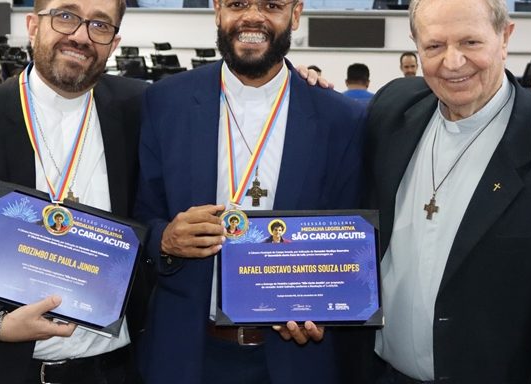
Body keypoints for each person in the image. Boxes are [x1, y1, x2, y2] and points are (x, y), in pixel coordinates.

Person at [0, 0, 156, 383]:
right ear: (33, 25)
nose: (81, 36)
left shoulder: (139, 109)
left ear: (114, 42)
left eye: (99, 25)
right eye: (66, 16)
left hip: (109, 369)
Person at [363, 0, 531, 381]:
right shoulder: (391, 110)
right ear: (416, 46)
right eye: (434, 46)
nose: (452, 62)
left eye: (470, 42)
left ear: (505, 38)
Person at [133, 0, 366, 382]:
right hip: (185, 353)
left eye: (271, 5)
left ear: (295, 13)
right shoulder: (165, 102)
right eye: (238, 3)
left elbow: (352, 239)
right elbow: (140, 215)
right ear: (217, 10)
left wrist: (327, 307)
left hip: (295, 358)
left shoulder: (340, 119)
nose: (253, 16)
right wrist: (165, 238)